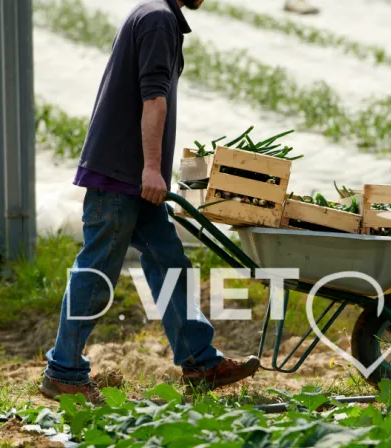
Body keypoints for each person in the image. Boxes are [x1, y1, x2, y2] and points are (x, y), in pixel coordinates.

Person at [40, 0, 260, 405]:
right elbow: (153, 100)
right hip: (123, 175)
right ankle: (63, 370)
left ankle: (199, 361)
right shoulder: (158, 20)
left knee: (168, 260)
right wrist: (152, 169)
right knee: (98, 269)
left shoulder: (156, 17)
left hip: (134, 178)